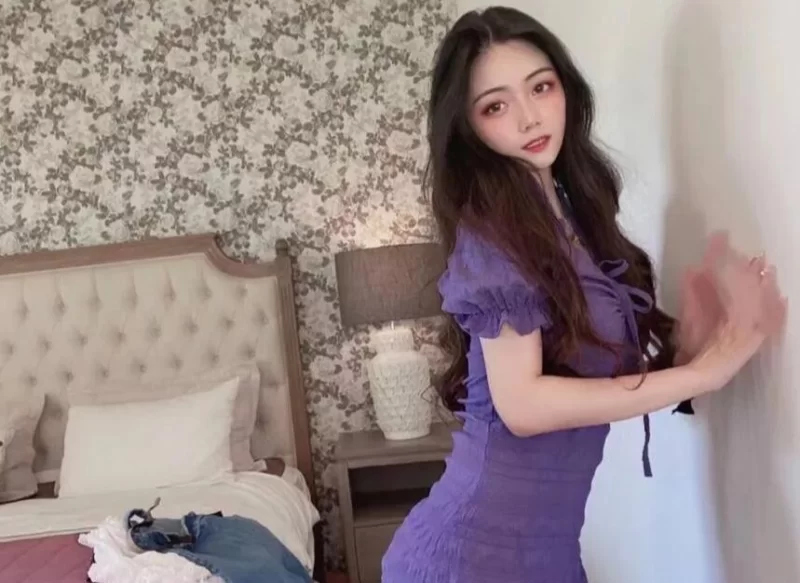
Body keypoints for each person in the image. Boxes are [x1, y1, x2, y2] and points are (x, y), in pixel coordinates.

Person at [380, 6, 787, 583]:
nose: (528, 117)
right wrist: (705, 373)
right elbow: (523, 407)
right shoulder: (492, 234)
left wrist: (690, 343)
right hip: (470, 555)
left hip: (545, 554)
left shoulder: (575, 219)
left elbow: (591, 376)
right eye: (495, 106)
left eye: (540, 87)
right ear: (469, 129)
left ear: (565, 88)